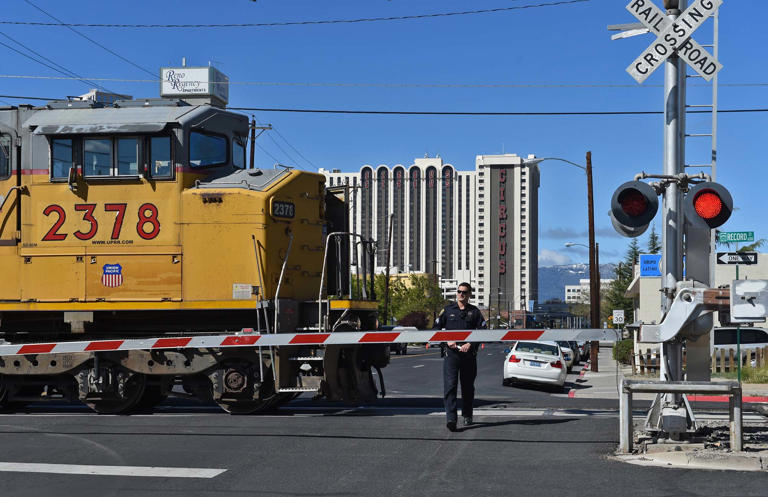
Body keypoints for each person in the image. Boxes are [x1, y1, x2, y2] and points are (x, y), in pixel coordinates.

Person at [433, 282, 486, 432]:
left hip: (469, 355)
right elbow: (435, 329)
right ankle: (451, 419)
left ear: (469, 294)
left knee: (467, 387)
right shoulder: (448, 310)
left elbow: (483, 330)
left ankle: (467, 414)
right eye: (459, 291)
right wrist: (446, 340)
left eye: (464, 292)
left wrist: (471, 343)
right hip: (452, 354)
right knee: (450, 386)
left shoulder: (474, 312)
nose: (461, 294)